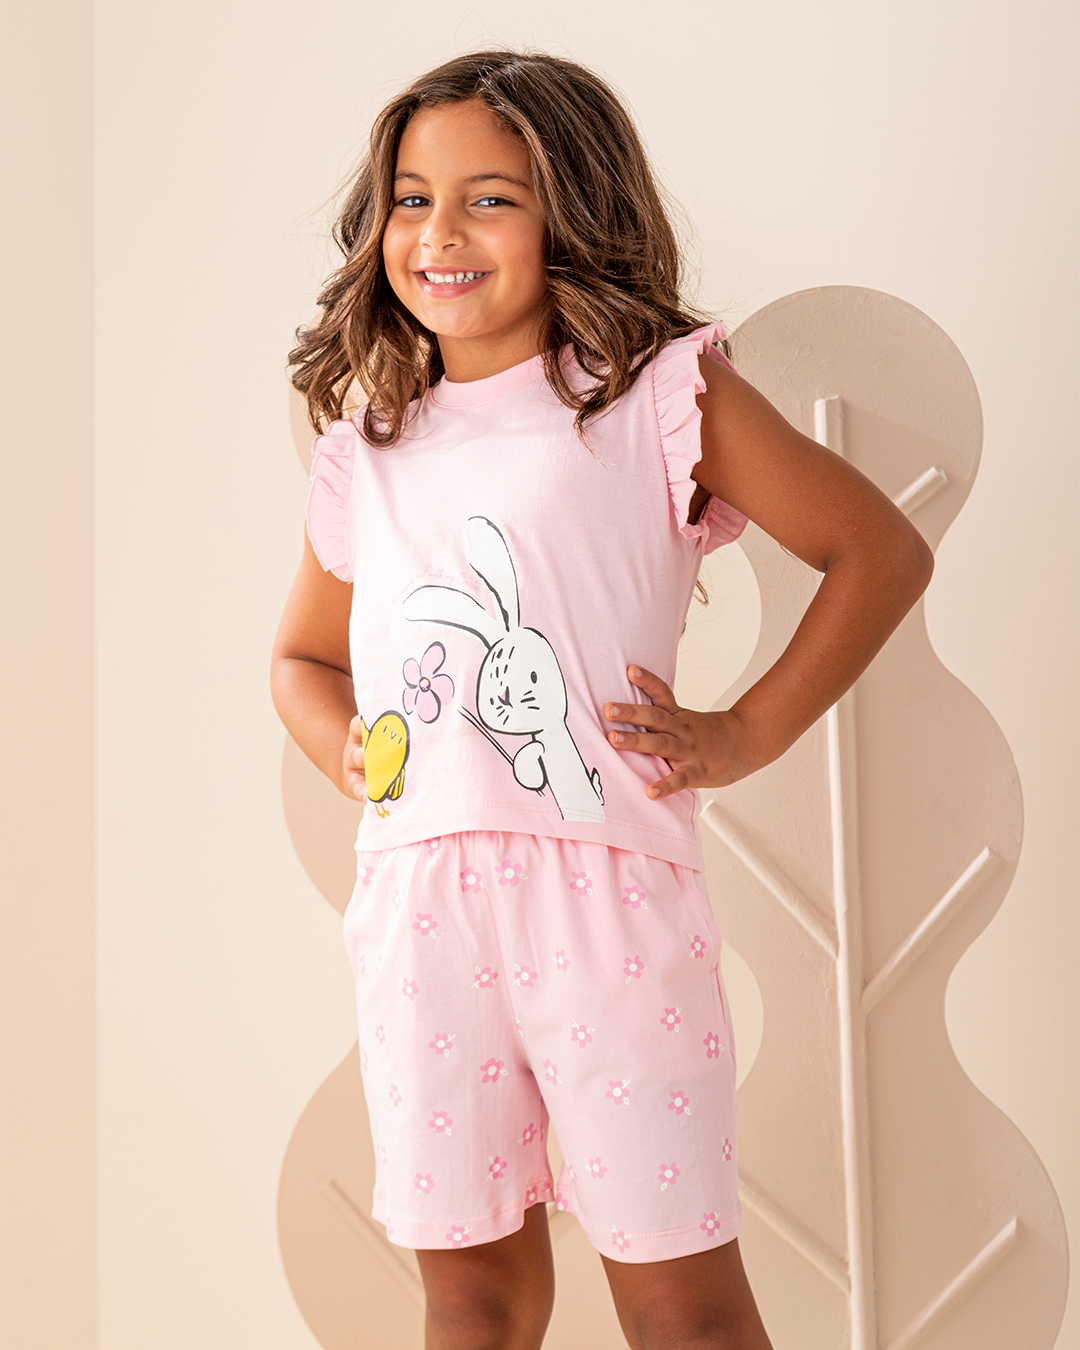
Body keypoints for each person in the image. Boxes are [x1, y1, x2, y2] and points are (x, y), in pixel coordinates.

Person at [271, 49, 933, 1350]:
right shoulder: (370, 449)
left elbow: (878, 550)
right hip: (418, 914)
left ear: (572, 208)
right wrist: (346, 749)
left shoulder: (656, 399)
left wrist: (747, 731)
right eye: (412, 199)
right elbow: (301, 659)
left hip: (608, 903)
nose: (440, 233)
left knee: (680, 1298)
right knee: (470, 1294)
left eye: (490, 199)